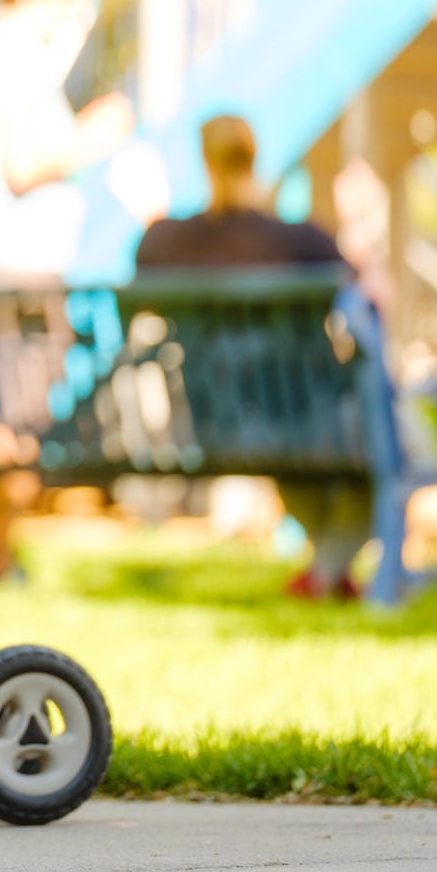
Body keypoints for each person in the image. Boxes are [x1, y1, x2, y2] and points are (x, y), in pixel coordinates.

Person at [0, 0, 137, 581]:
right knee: (20, 424)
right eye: (75, 12)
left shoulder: (2, 57)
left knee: (12, 419)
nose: (78, 29)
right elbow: (20, 166)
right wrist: (95, 136)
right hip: (20, 263)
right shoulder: (6, 59)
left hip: (19, 261)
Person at [135, 116, 367, 601]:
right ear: (254, 157)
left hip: (213, 422)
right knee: (385, 442)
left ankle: (324, 572)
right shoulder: (305, 242)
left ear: (205, 160)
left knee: (302, 458)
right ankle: (328, 571)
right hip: (300, 419)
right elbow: (364, 302)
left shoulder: (165, 242)